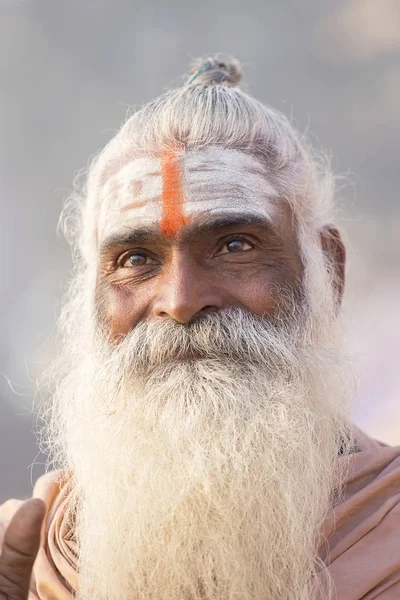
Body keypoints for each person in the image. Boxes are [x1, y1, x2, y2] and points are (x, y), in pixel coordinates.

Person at [0, 55, 399, 600]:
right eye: (137, 259)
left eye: (235, 246)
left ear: (327, 270)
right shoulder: (42, 554)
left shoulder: (388, 527)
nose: (181, 302)